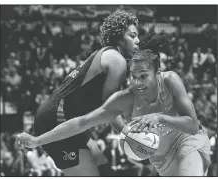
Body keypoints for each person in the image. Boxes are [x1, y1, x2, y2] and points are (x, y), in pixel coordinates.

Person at [16, 33, 211, 176]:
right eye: (134, 77)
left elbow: (192, 125)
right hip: (161, 160)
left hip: (189, 143)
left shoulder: (170, 81)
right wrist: (38, 140)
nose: (138, 82)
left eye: (144, 76)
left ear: (156, 72)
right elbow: (81, 123)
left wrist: (158, 117)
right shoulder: (124, 98)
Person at [16, 10, 140, 176]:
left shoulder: (105, 54)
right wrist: (128, 133)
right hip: (57, 117)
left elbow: (108, 108)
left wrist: (126, 132)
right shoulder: (117, 60)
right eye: (132, 36)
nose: (138, 41)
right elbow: (109, 109)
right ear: (118, 37)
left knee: (103, 169)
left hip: (59, 116)